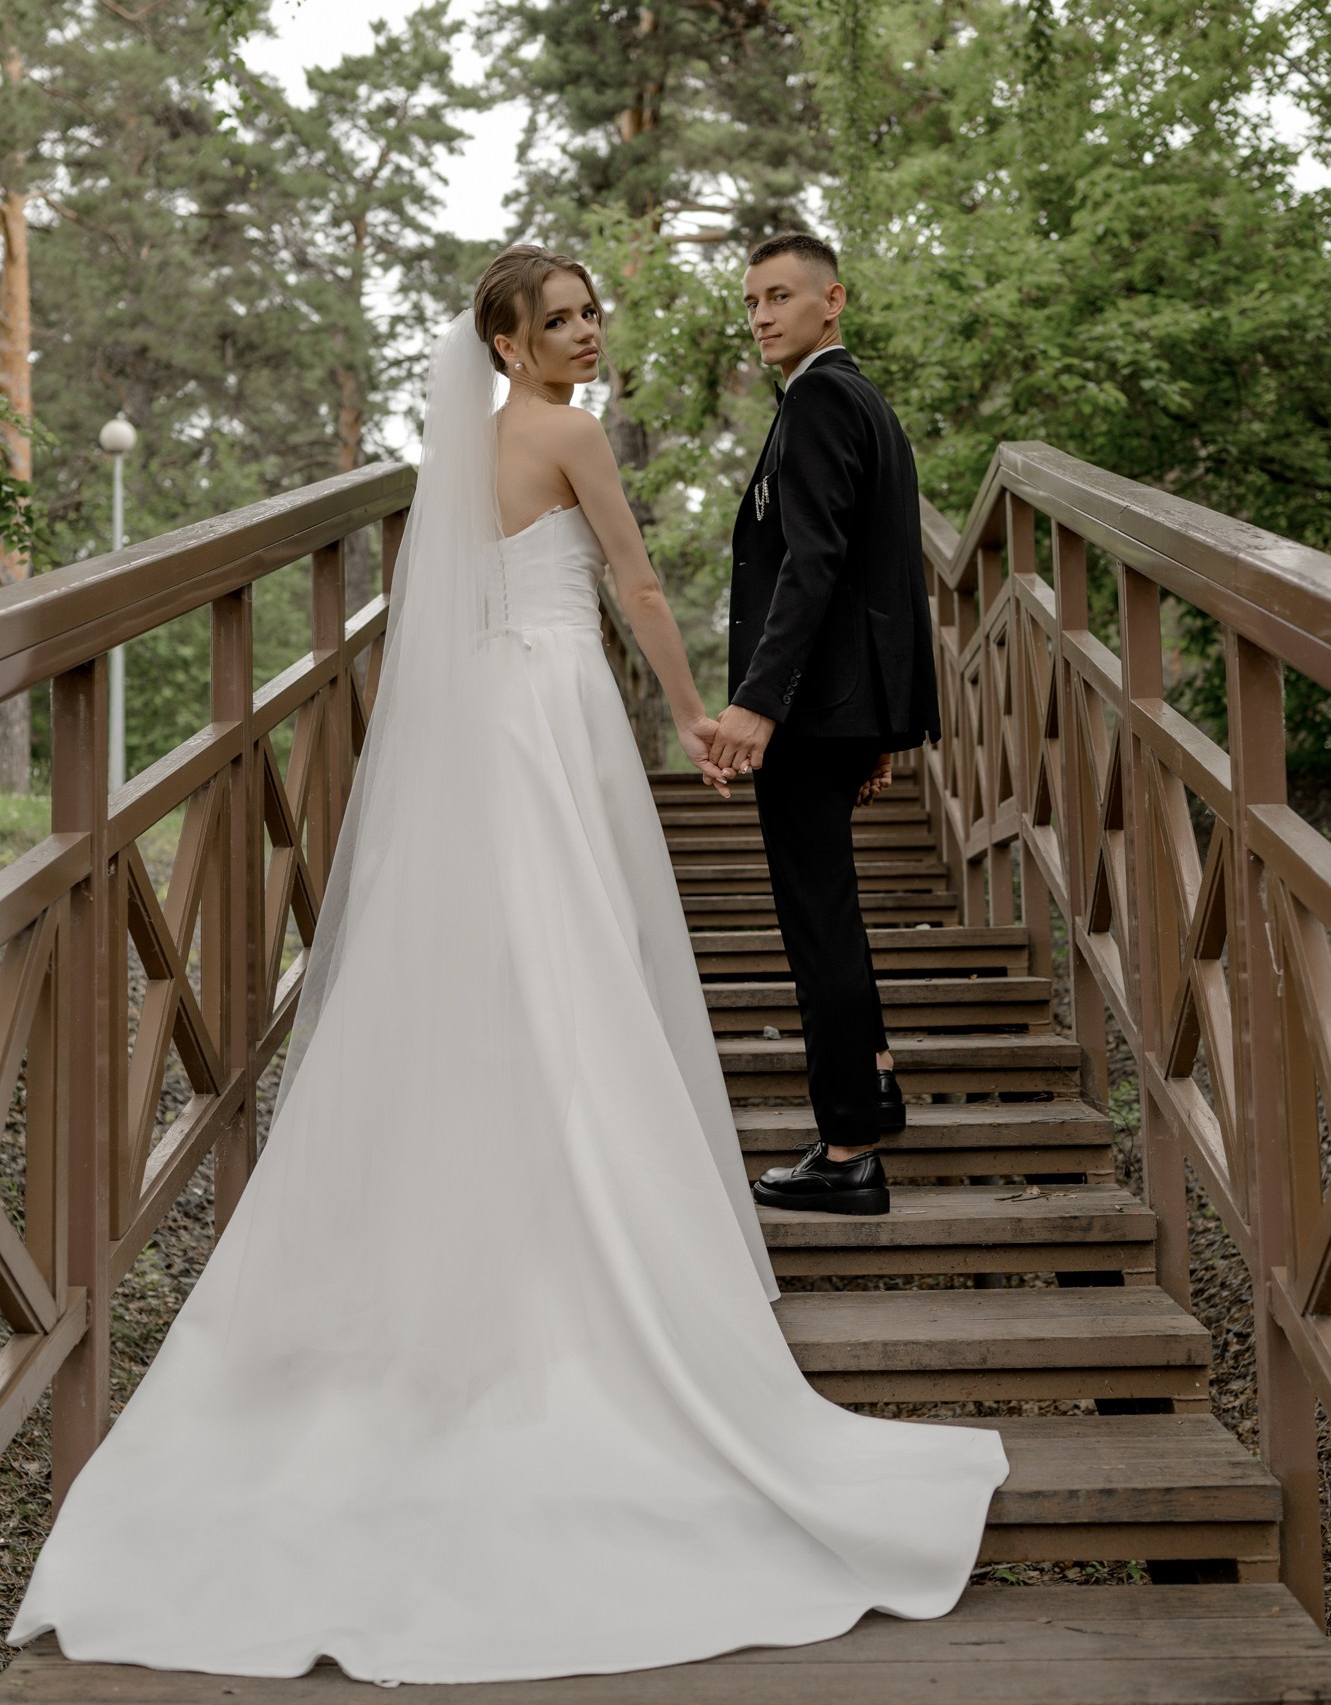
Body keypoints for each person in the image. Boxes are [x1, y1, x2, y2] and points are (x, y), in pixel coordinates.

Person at [9, 246, 1003, 1686]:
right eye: (560, 321)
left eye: (591, 315)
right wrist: (693, 716)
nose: (587, 335)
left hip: (482, 721)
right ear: (505, 340)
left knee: (494, 957)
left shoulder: (459, 454)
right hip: (558, 709)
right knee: (580, 948)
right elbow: (634, 584)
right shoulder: (570, 435)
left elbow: (444, 606)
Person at [709, 233, 941, 1217]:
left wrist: (757, 701)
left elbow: (811, 567)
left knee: (816, 920)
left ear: (831, 300)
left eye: (779, 296)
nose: (761, 315)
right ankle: (872, 1081)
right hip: (846, 701)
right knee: (831, 905)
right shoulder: (860, 401)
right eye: (751, 301)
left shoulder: (817, 401)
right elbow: (872, 564)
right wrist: (880, 722)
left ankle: (846, 1151)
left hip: (809, 707)